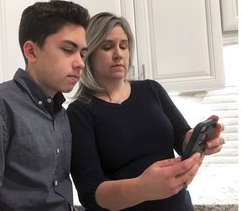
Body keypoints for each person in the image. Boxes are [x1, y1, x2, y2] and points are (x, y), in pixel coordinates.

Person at [67, 12, 225, 211]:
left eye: (123, 46)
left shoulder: (151, 90)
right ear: (88, 55)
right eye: (107, 47)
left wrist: (197, 140)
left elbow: (182, 137)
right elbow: (90, 193)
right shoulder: (79, 112)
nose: (118, 54)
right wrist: (141, 188)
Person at [0, 0, 89, 211]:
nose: (80, 63)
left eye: (82, 54)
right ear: (32, 51)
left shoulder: (61, 115)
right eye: (68, 49)